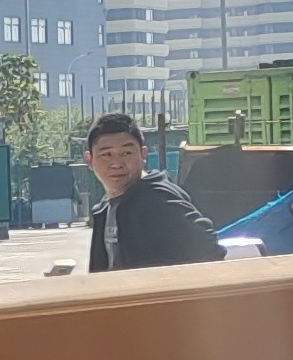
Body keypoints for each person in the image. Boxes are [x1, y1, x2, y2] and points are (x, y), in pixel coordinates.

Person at [82, 114, 224, 270]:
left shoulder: (157, 200)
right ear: (90, 160)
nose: (117, 164)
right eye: (107, 154)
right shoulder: (106, 207)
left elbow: (208, 249)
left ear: (143, 154)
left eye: (127, 153)